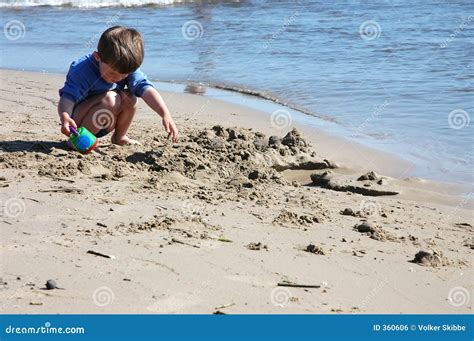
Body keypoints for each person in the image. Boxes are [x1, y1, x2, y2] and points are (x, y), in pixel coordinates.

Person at [58, 26, 179, 145]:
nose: (118, 78)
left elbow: (146, 89)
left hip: (106, 121)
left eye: (124, 75)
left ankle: (119, 137)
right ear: (97, 57)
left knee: (130, 98)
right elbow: (68, 98)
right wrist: (65, 117)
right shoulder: (82, 70)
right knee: (110, 99)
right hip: (77, 123)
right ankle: (78, 142)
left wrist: (165, 114)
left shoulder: (126, 66)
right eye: (112, 73)